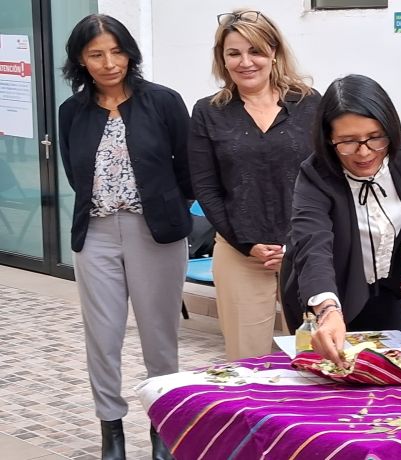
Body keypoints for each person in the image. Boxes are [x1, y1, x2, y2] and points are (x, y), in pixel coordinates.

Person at [58, 13, 191, 460]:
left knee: (159, 336)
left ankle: (162, 427)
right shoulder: (71, 111)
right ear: (81, 59)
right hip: (95, 233)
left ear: (130, 52)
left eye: (116, 51)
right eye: (96, 54)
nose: (108, 62)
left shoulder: (164, 101)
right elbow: (76, 173)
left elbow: (187, 170)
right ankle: (111, 431)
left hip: (155, 233)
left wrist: (166, 208)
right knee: (103, 334)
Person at [281, 74, 401, 367]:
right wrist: (327, 310)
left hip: (386, 293)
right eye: (347, 142)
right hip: (328, 297)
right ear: (328, 140)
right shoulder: (316, 175)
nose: (364, 152)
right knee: (331, 381)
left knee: (385, 377)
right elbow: (312, 246)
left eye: (375, 138)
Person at [189, 10, 320, 361]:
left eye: (256, 51)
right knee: (248, 362)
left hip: (306, 253)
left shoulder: (310, 104)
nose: (246, 62)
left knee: (317, 356)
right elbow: (206, 188)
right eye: (234, 53)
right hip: (240, 253)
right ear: (222, 58)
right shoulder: (207, 112)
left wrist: (298, 242)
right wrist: (248, 244)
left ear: (273, 52)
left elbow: (325, 178)